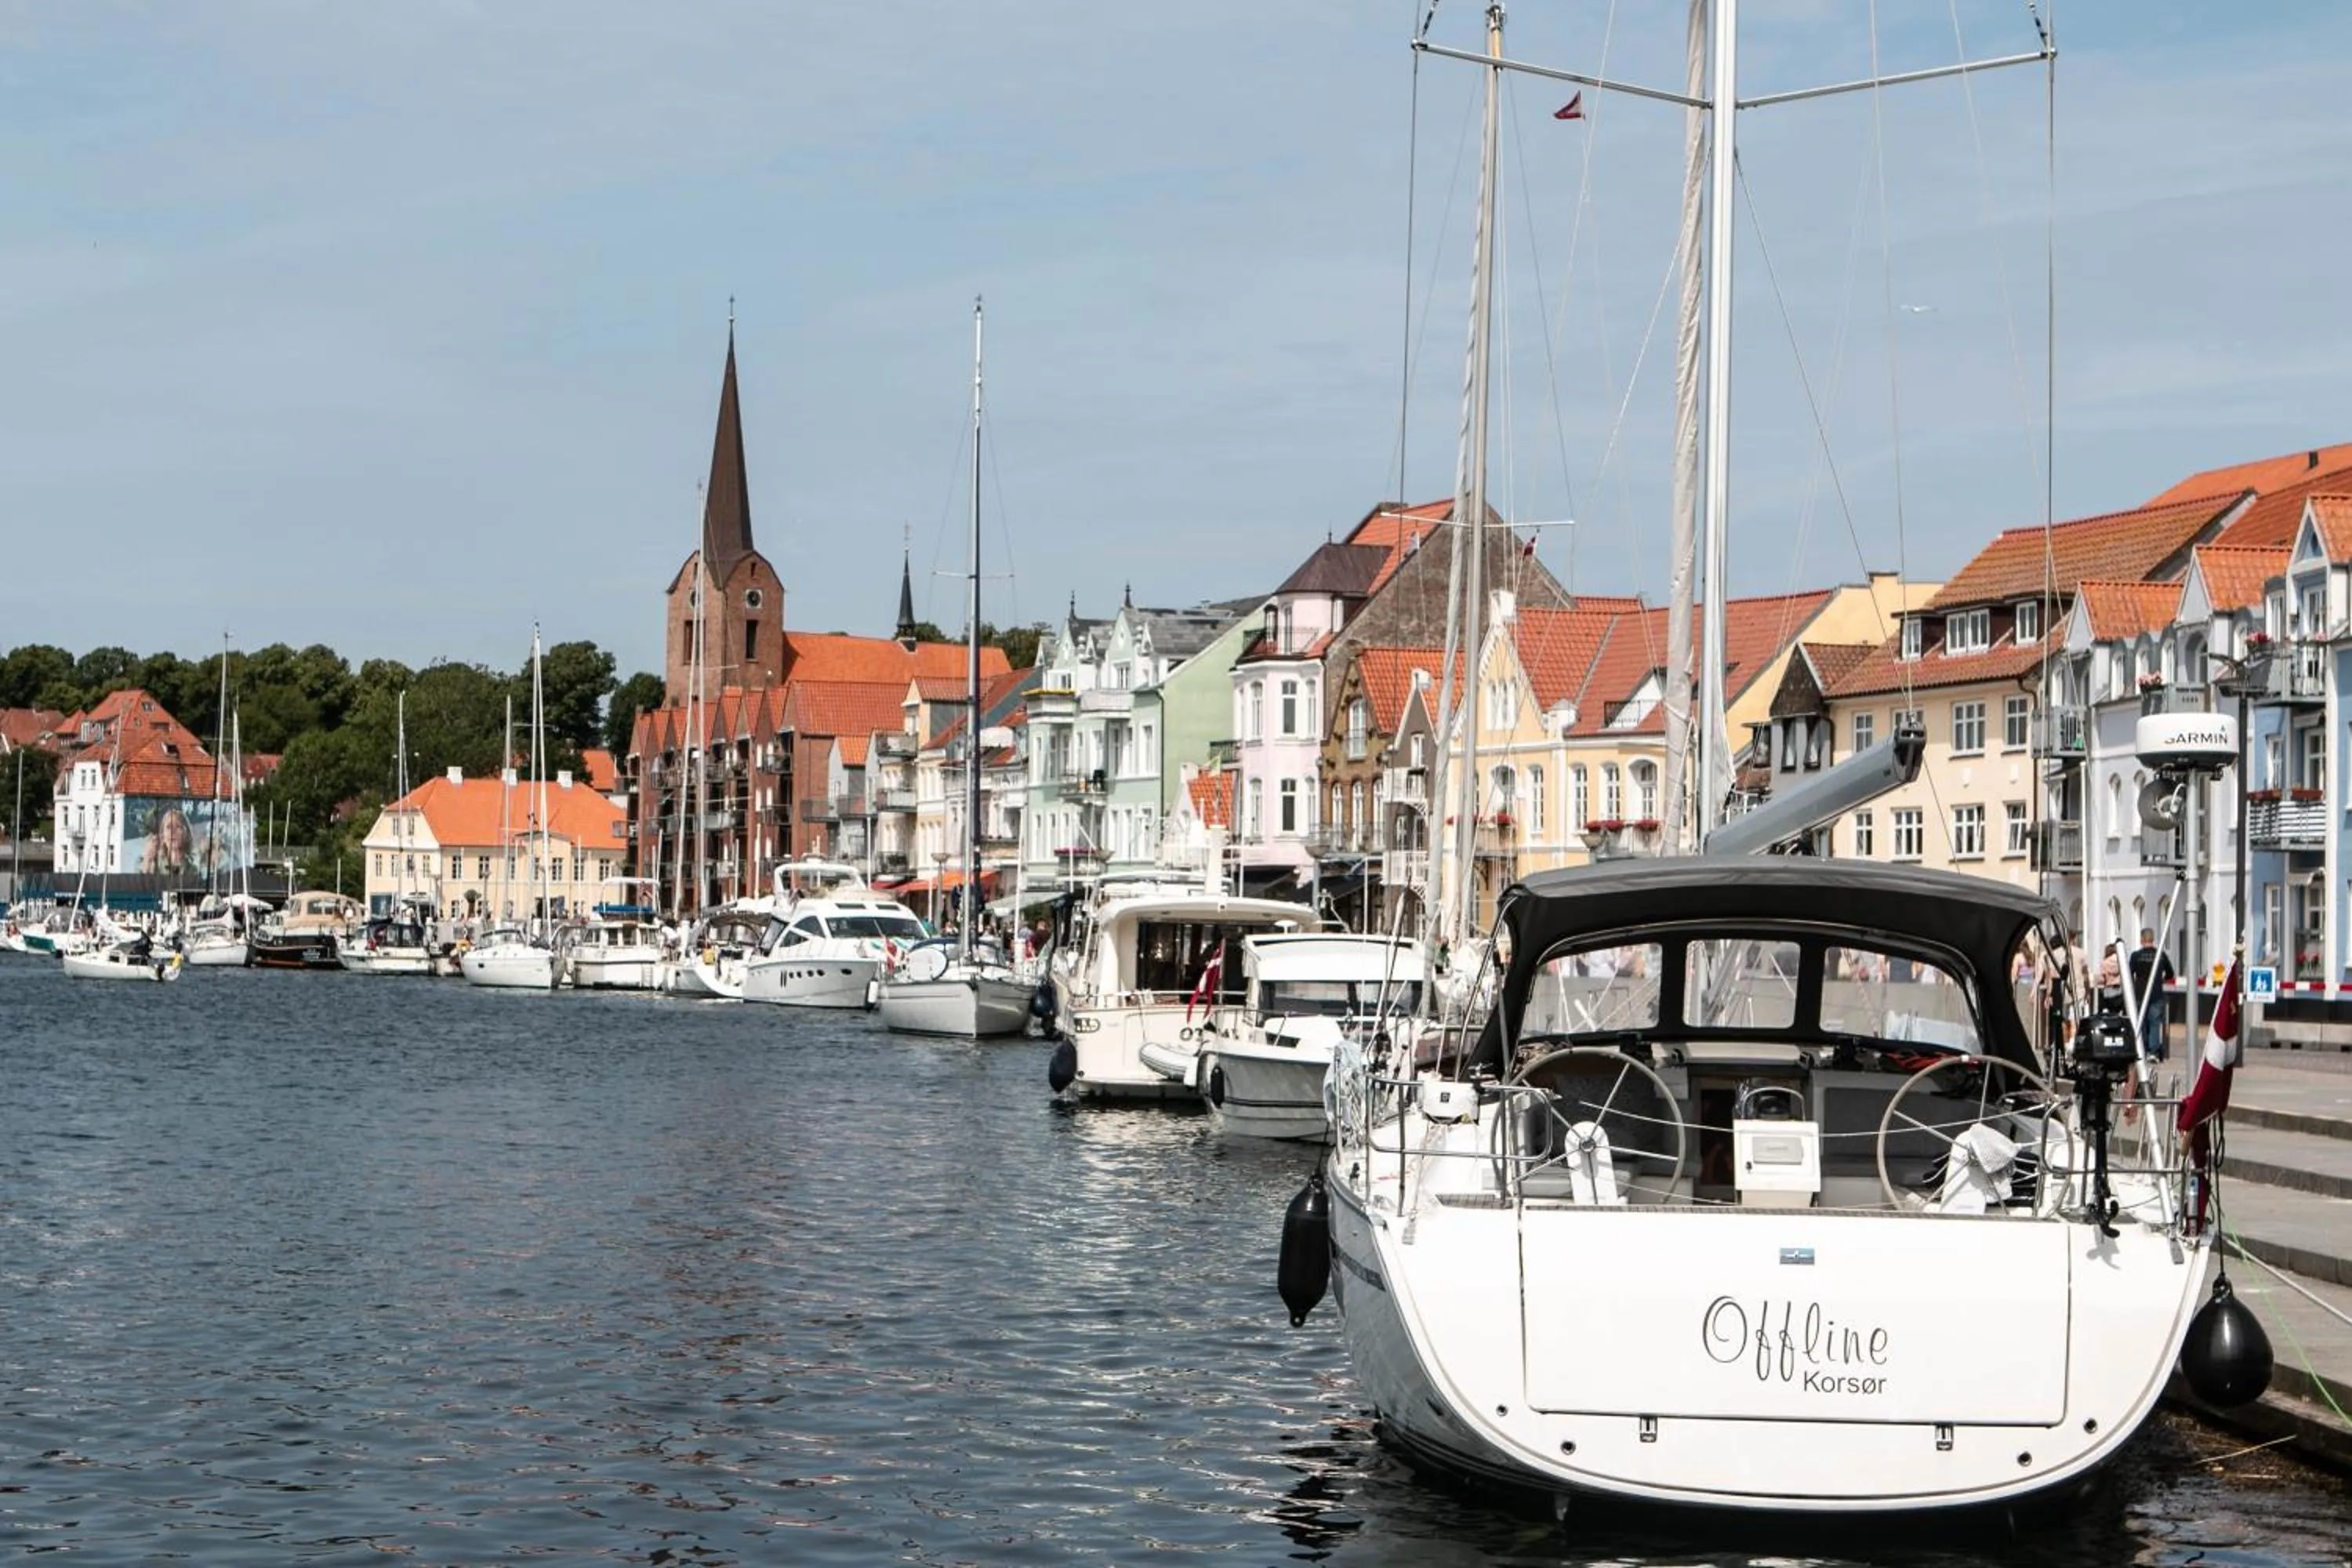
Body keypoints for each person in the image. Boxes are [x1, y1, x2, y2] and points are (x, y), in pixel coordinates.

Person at [2128, 928, 2177, 1061]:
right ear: (2152, 939)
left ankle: (2142, 1050)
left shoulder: (2135, 956)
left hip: (2140, 995)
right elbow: (2171, 974)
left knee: (2142, 1023)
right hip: (2156, 994)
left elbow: (2129, 975)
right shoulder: (2161, 955)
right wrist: (2161, 980)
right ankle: (2153, 1052)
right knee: (2155, 1024)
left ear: (2142, 940)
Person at [2096, 942, 2124, 1015]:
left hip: (2109, 991)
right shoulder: (2121, 962)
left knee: (2111, 1013)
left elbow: (2102, 979)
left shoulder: (2105, 963)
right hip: (2120, 991)